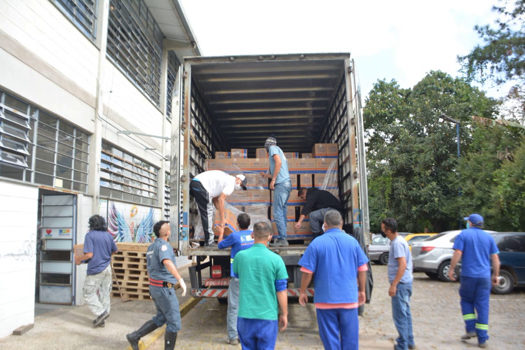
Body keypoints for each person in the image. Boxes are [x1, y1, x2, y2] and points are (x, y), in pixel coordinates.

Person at [298, 210, 368, 350]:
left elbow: (307, 272)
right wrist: (362, 290)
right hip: (349, 299)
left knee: (330, 341)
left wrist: (302, 291)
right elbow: (362, 269)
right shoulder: (352, 242)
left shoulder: (316, 243)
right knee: (350, 340)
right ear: (341, 223)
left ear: (324, 224)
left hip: (325, 301)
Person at [126, 221, 187, 350]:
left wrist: (151, 288)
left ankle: (134, 336)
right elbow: (167, 262)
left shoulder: (151, 247)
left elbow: (149, 269)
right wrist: (180, 279)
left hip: (155, 287)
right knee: (174, 323)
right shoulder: (164, 246)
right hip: (164, 289)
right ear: (167, 233)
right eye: (169, 229)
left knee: (161, 318)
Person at [233, 222, 289, 349]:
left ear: (252, 235)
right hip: (268, 318)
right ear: (270, 236)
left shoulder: (240, 257)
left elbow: (237, 275)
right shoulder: (277, 260)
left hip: (245, 316)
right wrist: (284, 314)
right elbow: (281, 290)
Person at [448, 214, 500, 349]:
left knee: (466, 301)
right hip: (484, 277)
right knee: (483, 306)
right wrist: (496, 275)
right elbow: (495, 258)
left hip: (468, 276)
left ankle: (470, 328)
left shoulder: (463, 235)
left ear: (470, 223)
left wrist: (451, 269)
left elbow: (458, 253)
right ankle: (482, 339)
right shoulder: (489, 237)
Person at [218, 213, 255, 345]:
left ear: (238, 224)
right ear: (249, 223)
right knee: (250, 305)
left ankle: (233, 337)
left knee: (234, 306)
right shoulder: (253, 235)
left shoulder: (234, 236)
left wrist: (222, 231)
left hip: (238, 276)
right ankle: (249, 335)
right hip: (252, 277)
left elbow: (220, 245)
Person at [75, 214, 117, 328]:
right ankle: (102, 318)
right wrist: (105, 256)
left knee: (88, 293)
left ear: (91, 225)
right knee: (105, 293)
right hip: (107, 268)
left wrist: (79, 259)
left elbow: (89, 254)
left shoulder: (90, 235)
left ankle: (101, 313)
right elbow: (114, 250)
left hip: (96, 270)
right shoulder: (108, 236)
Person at [381, 218, 415, 350]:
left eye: (383, 228)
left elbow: (402, 265)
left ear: (388, 230)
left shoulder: (397, 244)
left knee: (400, 315)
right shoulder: (399, 241)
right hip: (405, 283)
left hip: (401, 285)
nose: (382, 231)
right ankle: (409, 341)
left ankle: (402, 345)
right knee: (406, 313)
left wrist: (394, 285)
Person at [190, 170, 247, 246]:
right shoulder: (231, 184)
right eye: (241, 184)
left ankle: (203, 238)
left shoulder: (227, 179)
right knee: (208, 212)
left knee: (207, 211)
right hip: (200, 184)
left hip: (196, 183)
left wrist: (220, 215)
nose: (240, 187)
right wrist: (223, 219)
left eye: (242, 187)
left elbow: (215, 199)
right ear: (238, 179)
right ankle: (209, 242)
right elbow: (221, 200)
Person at [259, 137, 291, 247]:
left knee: (277, 212)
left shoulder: (273, 148)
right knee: (282, 211)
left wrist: (273, 180)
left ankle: (283, 239)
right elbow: (278, 168)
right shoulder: (280, 151)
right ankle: (283, 237)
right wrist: (266, 175)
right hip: (286, 184)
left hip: (281, 185)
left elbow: (278, 162)